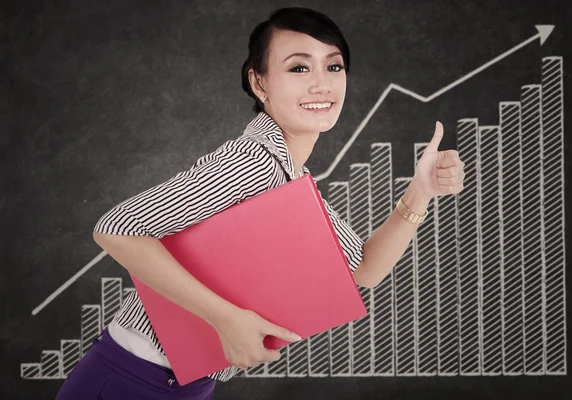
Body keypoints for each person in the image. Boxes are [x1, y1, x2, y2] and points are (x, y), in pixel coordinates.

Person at [56, 6, 465, 400]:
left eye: (334, 66)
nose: (322, 83)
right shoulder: (253, 162)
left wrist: (420, 191)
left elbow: (362, 270)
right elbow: (116, 228)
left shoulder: (290, 175)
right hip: (133, 379)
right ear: (259, 83)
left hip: (182, 382)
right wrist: (227, 319)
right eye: (299, 67)